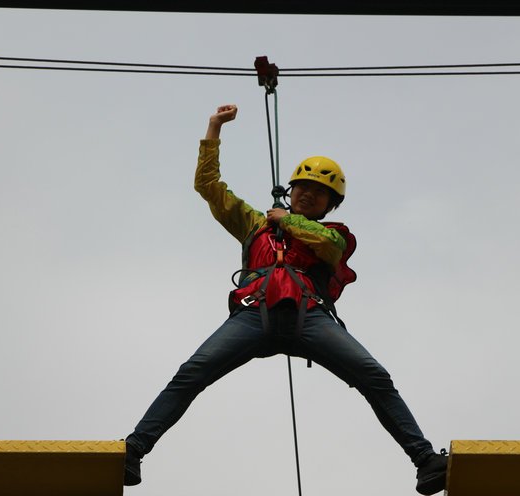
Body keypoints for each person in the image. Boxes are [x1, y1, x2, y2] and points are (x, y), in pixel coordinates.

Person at [124, 104, 448, 495]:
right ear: (291, 190)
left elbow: (327, 244)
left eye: (320, 193)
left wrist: (286, 220)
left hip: (308, 316)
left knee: (374, 377)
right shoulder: (255, 225)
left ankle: (425, 460)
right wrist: (213, 128)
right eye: (303, 187)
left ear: (330, 205)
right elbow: (209, 187)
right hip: (253, 314)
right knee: (191, 374)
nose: (309, 195)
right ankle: (134, 450)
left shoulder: (334, 234)